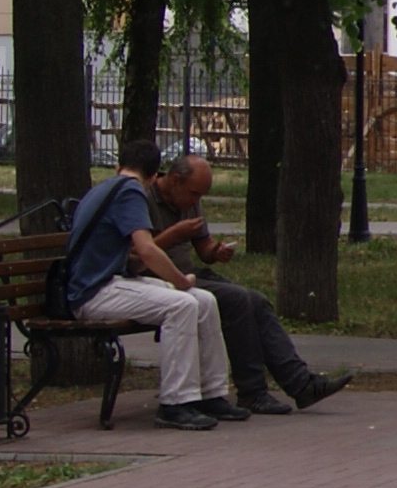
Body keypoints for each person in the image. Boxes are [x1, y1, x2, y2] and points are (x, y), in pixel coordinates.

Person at [151, 146, 351, 414]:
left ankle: (301, 383)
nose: (195, 200)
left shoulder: (190, 200)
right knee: (237, 300)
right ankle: (252, 391)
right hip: (160, 280)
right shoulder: (143, 198)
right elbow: (141, 252)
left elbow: (203, 249)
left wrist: (216, 251)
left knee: (256, 300)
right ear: (175, 180)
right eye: (194, 193)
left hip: (190, 273)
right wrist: (174, 233)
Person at [64, 139, 238, 431]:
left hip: (107, 283)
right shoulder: (131, 191)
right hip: (92, 293)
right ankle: (175, 403)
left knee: (204, 300)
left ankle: (212, 393)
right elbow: (146, 249)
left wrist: (177, 281)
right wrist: (180, 281)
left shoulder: (109, 187)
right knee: (183, 304)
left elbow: (133, 258)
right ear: (154, 173)